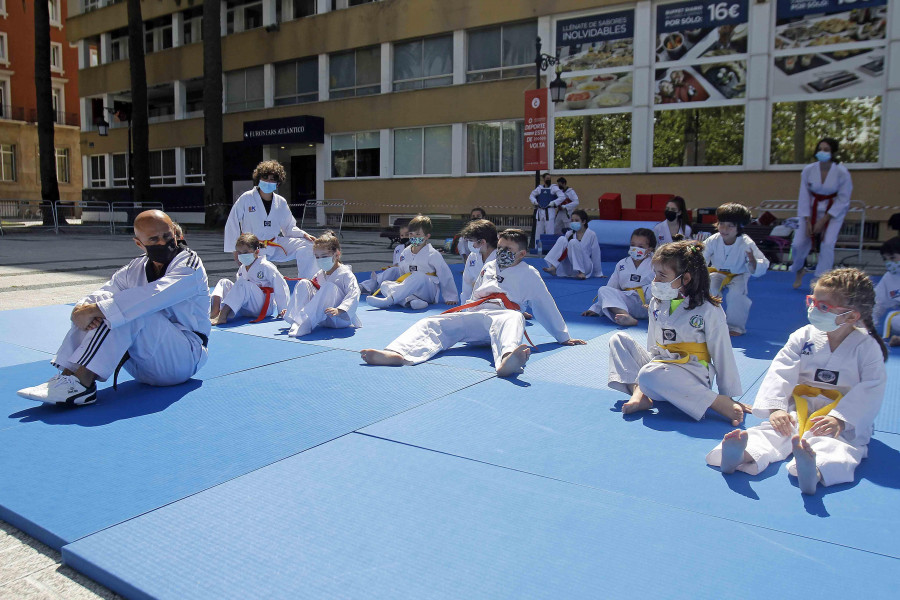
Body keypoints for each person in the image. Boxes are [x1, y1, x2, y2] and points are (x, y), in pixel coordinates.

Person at [707, 268, 887, 495]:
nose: (813, 309)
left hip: (840, 415)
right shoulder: (803, 336)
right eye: (812, 301)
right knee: (776, 430)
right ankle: (740, 455)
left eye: (823, 307)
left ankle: (814, 470)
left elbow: (871, 388)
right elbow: (781, 370)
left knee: (838, 445)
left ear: (851, 316)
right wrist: (776, 407)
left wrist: (840, 420)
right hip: (799, 406)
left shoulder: (867, 347)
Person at [17, 210, 210, 406]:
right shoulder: (134, 268)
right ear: (139, 243)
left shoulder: (189, 264)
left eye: (167, 236)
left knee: (127, 310)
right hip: (141, 365)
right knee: (101, 303)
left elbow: (156, 294)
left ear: (177, 235)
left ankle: (82, 383)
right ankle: (68, 376)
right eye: (154, 238)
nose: (162, 242)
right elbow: (106, 291)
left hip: (183, 358)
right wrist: (80, 310)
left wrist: (97, 310)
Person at [360, 229, 586, 376]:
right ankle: (398, 353)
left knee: (515, 317)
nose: (502, 253)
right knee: (431, 321)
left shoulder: (530, 273)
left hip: (502, 315)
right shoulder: (489, 266)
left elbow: (544, 304)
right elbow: (474, 293)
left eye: (509, 250)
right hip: (476, 313)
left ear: (522, 253)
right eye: (500, 248)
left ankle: (507, 360)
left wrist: (563, 337)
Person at [607, 240, 748, 425]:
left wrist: (727, 395)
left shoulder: (708, 309)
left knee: (649, 375)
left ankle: (714, 401)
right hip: (661, 369)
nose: (655, 281)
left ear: (686, 278)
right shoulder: (657, 303)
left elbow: (723, 353)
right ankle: (639, 393)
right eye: (655, 274)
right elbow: (652, 347)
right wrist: (653, 369)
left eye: (662, 275)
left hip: (692, 374)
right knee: (619, 339)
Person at [224, 160, 318, 279]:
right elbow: (233, 222)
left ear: (277, 183)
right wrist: (235, 250)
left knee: (307, 245)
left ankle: (308, 282)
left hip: (274, 244)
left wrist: (303, 234)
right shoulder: (247, 198)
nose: (268, 181)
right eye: (265, 177)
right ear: (259, 179)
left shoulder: (281, 202)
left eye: (272, 179)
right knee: (258, 277)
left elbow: (288, 227)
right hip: (252, 248)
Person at [791, 138, 853, 288]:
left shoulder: (841, 172)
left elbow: (844, 198)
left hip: (833, 212)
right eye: (820, 149)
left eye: (826, 150)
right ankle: (800, 269)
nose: (822, 152)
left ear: (832, 153)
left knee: (827, 244)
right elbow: (804, 195)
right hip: (810, 210)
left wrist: (824, 220)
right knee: (798, 244)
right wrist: (807, 221)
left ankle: (821, 279)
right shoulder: (808, 170)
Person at [702, 203, 769, 336]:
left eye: (730, 225)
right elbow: (701, 256)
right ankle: (710, 323)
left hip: (739, 274)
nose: (724, 229)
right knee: (710, 291)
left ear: (740, 227)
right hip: (718, 272)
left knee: (737, 296)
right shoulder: (713, 240)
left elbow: (762, 263)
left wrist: (753, 261)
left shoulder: (746, 243)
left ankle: (735, 327)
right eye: (721, 223)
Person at [365, 215, 459, 310]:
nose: (413, 237)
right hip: (410, 289)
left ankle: (389, 300)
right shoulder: (405, 253)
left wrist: (451, 297)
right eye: (411, 234)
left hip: (428, 290)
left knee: (418, 276)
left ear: (427, 236)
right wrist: (404, 286)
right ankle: (412, 302)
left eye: (418, 234)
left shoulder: (433, 254)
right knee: (385, 284)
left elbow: (445, 275)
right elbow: (402, 273)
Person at [283, 230, 362, 338]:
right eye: (317, 257)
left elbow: (354, 294)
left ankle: (305, 322)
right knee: (304, 283)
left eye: (324, 256)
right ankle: (296, 319)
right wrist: (292, 308)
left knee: (329, 287)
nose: (320, 260)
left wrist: (340, 309)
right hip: (322, 318)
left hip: (338, 319)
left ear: (337, 254)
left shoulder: (346, 274)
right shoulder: (320, 274)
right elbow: (311, 295)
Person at [210, 233, 290, 326]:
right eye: (239, 253)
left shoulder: (265, 266)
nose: (241, 255)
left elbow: (280, 285)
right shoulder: (242, 268)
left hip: (262, 306)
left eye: (245, 252)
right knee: (223, 282)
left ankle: (222, 315)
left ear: (256, 252)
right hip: (247, 308)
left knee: (242, 283)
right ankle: (214, 312)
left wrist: (283, 309)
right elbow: (238, 292)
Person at [583, 228, 656, 326]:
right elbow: (611, 288)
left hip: (648, 306)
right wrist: (596, 308)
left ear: (650, 249)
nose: (635, 248)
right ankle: (625, 316)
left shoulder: (657, 263)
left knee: (657, 286)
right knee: (604, 290)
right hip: (626, 305)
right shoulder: (622, 264)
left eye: (640, 246)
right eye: (633, 245)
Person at [542, 209, 604, 279]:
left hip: (585, 266)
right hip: (571, 267)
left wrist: (598, 273)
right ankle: (553, 267)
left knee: (573, 242)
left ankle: (581, 272)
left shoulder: (591, 235)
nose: (574, 222)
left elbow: (596, 254)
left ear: (584, 221)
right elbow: (563, 252)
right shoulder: (569, 234)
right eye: (572, 220)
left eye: (577, 221)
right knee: (562, 239)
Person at [360, 224, 408, 294]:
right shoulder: (398, 248)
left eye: (407, 235)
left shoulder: (418, 249)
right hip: (399, 274)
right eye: (402, 235)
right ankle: (367, 286)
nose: (404, 237)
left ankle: (373, 285)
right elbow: (396, 265)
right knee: (391, 272)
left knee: (392, 272)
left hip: (411, 275)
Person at [459, 219, 498, 302]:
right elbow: (467, 283)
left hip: (497, 302)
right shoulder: (472, 256)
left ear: (482, 242)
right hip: (475, 301)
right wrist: (463, 308)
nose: (469, 244)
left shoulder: (501, 258)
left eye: (471, 241)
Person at [873, 236, 900, 346]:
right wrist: (868, 327)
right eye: (885, 259)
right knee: (895, 322)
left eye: (892, 258)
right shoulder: (888, 278)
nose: (889, 263)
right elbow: (876, 303)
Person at [529, 173, 566, 239]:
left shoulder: (553, 187)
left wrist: (554, 202)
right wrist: (535, 201)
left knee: (550, 231)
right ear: (544, 179)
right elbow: (531, 195)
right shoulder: (539, 188)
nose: (549, 180)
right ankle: (537, 247)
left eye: (549, 178)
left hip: (549, 211)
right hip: (540, 211)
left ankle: (549, 247)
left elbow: (562, 196)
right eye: (547, 178)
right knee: (538, 231)